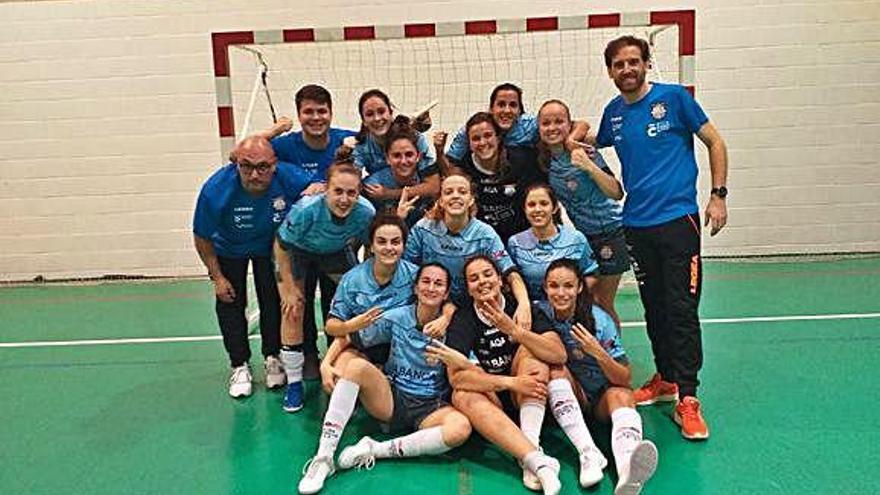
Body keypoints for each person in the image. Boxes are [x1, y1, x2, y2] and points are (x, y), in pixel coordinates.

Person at [595, 35, 729, 440]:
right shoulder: (613, 113)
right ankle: (667, 379)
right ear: (610, 71)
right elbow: (592, 140)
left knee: (681, 308)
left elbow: (715, 142)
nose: (627, 70)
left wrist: (718, 196)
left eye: (634, 62)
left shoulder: (674, 99)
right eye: (619, 64)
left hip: (678, 221)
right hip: (636, 223)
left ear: (646, 63)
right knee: (654, 307)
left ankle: (688, 397)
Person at [297, 263, 472, 494]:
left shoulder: (456, 326)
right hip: (392, 397)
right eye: (426, 282)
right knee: (356, 366)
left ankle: (376, 449)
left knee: (460, 428)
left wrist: (455, 359)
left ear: (447, 293)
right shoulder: (398, 317)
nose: (431, 288)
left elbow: (470, 367)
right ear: (416, 288)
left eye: (438, 284)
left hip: (431, 405)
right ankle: (324, 458)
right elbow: (348, 336)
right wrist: (326, 363)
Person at [427, 255, 566, 495]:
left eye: (487, 274)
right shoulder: (463, 318)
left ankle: (530, 446)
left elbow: (558, 354)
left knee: (534, 355)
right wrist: (511, 382)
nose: (482, 281)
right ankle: (536, 460)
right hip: (495, 399)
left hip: (529, 397)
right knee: (462, 395)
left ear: (501, 280)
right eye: (473, 278)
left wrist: (514, 331)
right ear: (468, 288)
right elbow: (456, 378)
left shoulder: (522, 309)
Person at [255, 84, 359, 380]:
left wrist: (418, 128)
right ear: (300, 115)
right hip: (296, 242)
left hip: (335, 243)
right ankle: (305, 359)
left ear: (331, 113)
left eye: (321, 111)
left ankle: (337, 354)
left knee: (337, 301)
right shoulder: (285, 145)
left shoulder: (344, 140)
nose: (316, 117)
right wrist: (274, 131)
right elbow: (243, 153)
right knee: (295, 301)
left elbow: (382, 137)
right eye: (309, 112)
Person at [193, 136, 309, 397]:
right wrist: (217, 277)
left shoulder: (288, 176)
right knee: (230, 301)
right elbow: (201, 236)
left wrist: (316, 188)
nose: (255, 174)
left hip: (271, 248)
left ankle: (273, 356)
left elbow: (321, 186)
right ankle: (239, 364)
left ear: (274, 165)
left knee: (273, 300)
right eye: (246, 167)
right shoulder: (215, 189)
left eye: (263, 167)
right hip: (229, 248)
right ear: (236, 164)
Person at [537, 259, 658, 494]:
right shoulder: (540, 314)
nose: (561, 293)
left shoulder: (599, 320)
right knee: (556, 370)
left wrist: (599, 353)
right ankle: (588, 453)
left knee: (622, 394)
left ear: (579, 287)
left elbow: (625, 377)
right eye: (553, 286)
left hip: (601, 398)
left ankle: (627, 472)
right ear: (545, 287)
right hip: (572, 395)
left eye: (568, 286)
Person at [273, 160, 376, 412]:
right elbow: (281, 246)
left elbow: (370, 248)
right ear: (325, 189)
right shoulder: (306, 210)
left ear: (359, 193)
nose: (344, 199)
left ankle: (348, 370)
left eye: (351, 192)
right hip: (298, 253)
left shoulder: (366, 212)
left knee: (357, 307)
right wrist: (287, 286)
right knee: (293, 308)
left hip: (334, 253)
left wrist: (366, 283)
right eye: (338, 191)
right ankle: (295, 383)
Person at [320, 214, 453, 386]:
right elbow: (331, 327)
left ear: (403, 246)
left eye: (395, 242)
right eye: (382, 242)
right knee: (339, 378)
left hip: (402, 349)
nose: (389, 247)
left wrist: (445, 318)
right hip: (362, 342)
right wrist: (353, 325)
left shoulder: (416, 275)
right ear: (372, 246)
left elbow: (447, 300)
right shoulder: (352, 280)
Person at [403, 174, 533, 334]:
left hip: (471, 308)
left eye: (462, 191)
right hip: (431, 302)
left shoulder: (486, 234)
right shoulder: (423, 229)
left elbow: (510, 272)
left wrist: (524, 304)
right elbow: (406, 269)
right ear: (441, 201)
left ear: (471, 199)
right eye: (449, 192)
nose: (455, 196)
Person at [537, 99, 628, 325]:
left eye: (559, 122)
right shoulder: (543, 158)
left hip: (611, 233)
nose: (552, 127)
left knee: (601, 302)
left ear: (569, 124)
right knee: (583, 299)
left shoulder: (585, 151)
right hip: (582, 238)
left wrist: (588, 166)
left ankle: (614, 355)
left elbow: (617, 192)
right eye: (546, 123)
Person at [446, 112, 544, 244]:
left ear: (498, 138)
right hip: (486, 241)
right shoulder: (465, 167)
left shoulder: (522, 159)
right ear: (469, 144)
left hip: (524, 239)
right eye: (476, 138)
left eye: (488, 135)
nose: (482, 142)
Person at [441, 82, 588, 166]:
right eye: (501, 104)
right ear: (491, 109)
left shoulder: (529, 124)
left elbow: (581, 125)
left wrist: (570, 140)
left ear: (520, 111)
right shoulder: (474, 130)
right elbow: (450, 162)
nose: (507, 110)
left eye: (513, 105)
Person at [507, 184, 599, 302]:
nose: (537, 209)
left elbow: (591, 275)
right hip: (533, 312)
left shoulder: (576, 239)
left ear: (554, 208)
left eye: (544, 204)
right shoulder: (515, 243)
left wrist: (570, 299)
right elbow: (512, 280)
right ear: (524, 209)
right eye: (531, 205)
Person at [362, 116, 439, 227]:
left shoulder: (426, 178)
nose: (403, 161)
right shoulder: (373, 186)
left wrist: (389, 194)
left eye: (409, 155)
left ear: (418, 156)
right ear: (387, 158)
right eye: (397, 155)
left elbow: (434, 188)